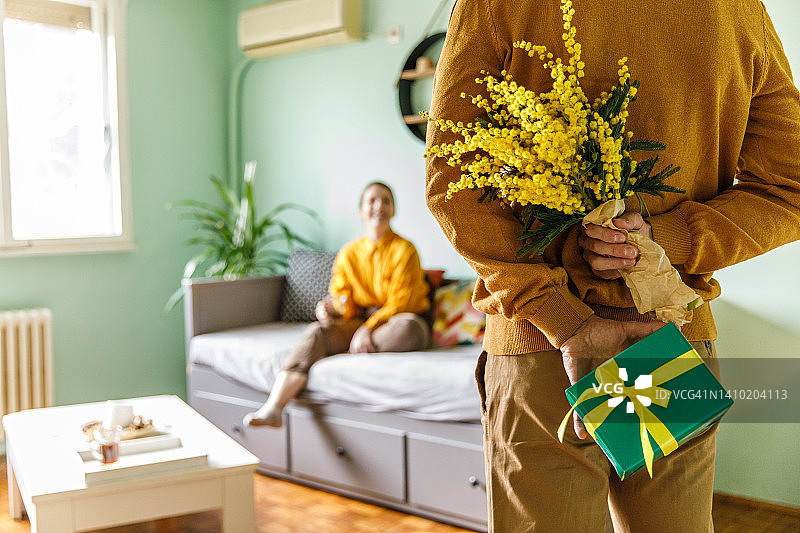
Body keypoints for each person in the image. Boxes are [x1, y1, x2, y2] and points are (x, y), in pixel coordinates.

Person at [425, 1, 800, 532]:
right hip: (665, 338)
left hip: (543, 347)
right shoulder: (738, 9)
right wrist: (659, 242)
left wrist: (566, 320)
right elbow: (790, 187)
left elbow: (452, 184)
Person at [245, 181, 432, 427]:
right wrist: (332, 308)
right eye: (372, 201)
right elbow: (345, 301)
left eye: (386, 201)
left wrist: (368, 328)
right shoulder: (349, 253)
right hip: (358, 323)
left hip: (396, 321)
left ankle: (348, 347)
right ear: (361, 210)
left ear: (394, 210)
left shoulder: (405, 250)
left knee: (409, 328)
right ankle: (275, 406)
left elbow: (401, 302)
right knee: (317, 332)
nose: (380, 207)